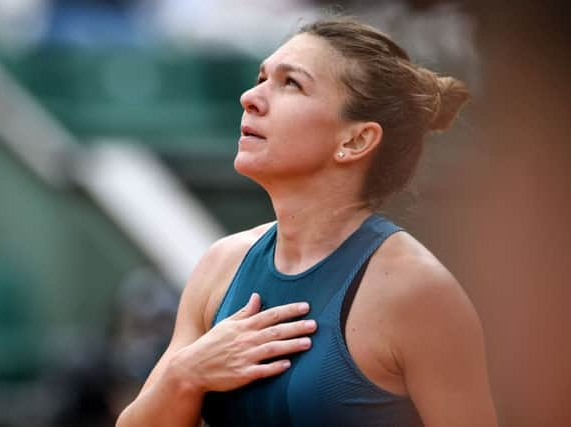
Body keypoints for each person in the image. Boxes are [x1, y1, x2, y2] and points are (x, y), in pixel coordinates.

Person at [116, 17, 498, 427]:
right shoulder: (221, 265)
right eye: (261, 77)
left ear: (355, 140)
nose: (250, 97)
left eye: (291, 84)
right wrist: (186, 374)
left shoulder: (419, 293)